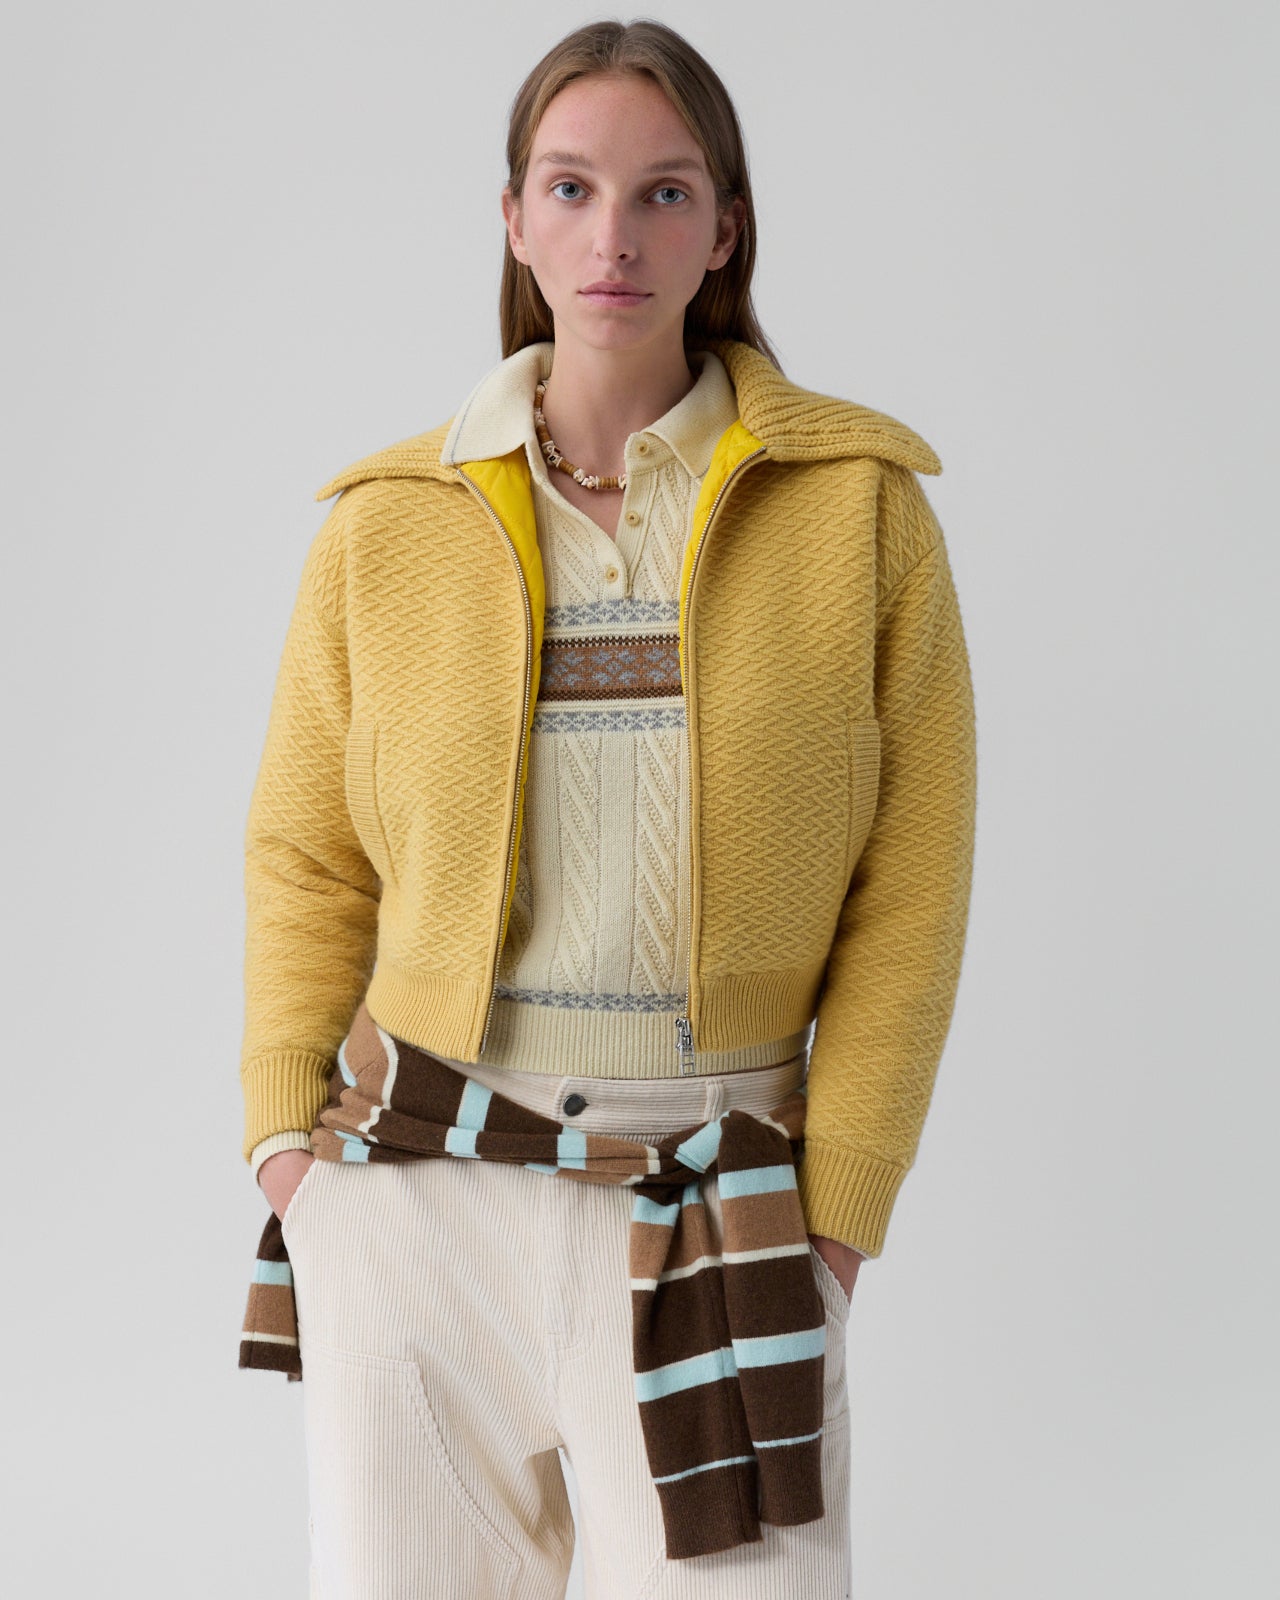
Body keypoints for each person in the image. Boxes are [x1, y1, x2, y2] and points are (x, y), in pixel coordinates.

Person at [239, 17, 977, 1598]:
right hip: (417, 1202)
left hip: (722, 1192)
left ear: (726, 230)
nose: (615, 236)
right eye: (571, 188)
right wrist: (287, 1154)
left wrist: (839, 1213)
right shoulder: (386, 525)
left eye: (664, 192)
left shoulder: (859, 514)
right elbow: (306, 860)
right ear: (514, 220)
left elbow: (913, 886)